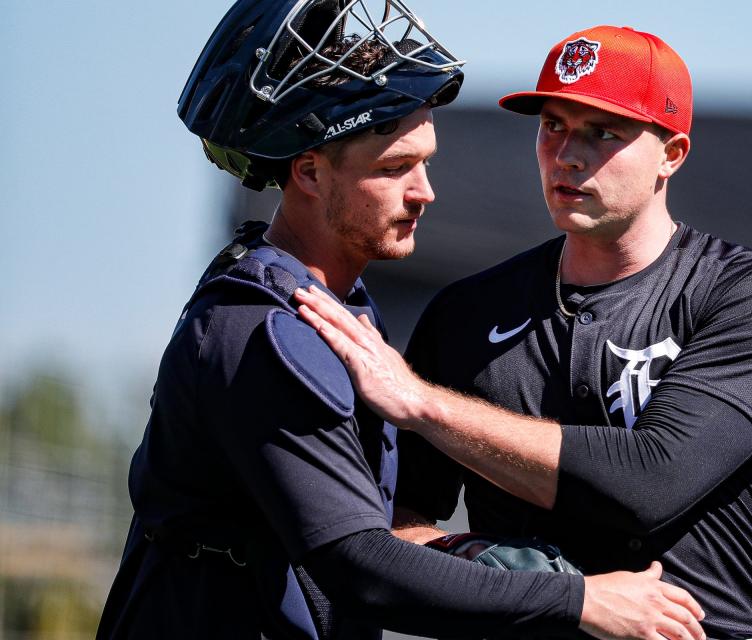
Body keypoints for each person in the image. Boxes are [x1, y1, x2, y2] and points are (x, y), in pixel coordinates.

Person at [97, 3, 707, 640]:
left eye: (425, 163)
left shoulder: (335, 306)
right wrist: (576, 598)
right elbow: (360, 564)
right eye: (393, 169)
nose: (424, 192)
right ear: (308, 172)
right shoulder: (264, 331)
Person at [293, 25, 752, 640]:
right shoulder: (467, 312)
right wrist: (478, 559)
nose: (569, 154)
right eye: (552, 126)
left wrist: (424, 402)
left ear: (671, 155)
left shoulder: (749, 297)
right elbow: (397, 514)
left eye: (605, 132)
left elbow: (649, 483)